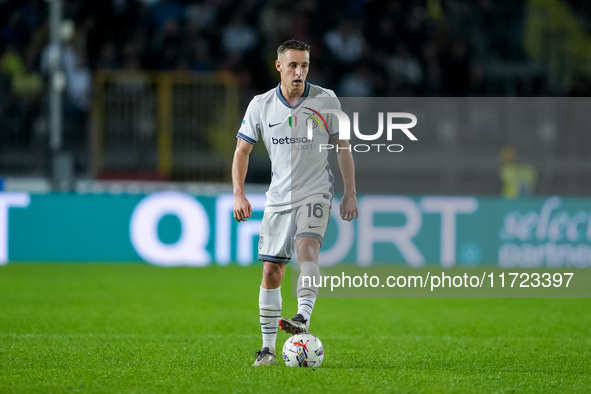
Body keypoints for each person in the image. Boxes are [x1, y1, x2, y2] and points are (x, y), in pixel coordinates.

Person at [231, 39, 359, 366]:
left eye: (304, 65)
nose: (299, 72)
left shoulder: (326, 100)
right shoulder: (260, 105)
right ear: (279, 67)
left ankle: (302, 316)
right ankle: (268, 349)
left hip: (316, 191)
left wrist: (349, 193)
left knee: (307, 250)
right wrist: (238, 193)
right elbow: (242, 152)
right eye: (293, 65)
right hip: (278, 198)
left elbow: (343, 147)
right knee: (272, 271)